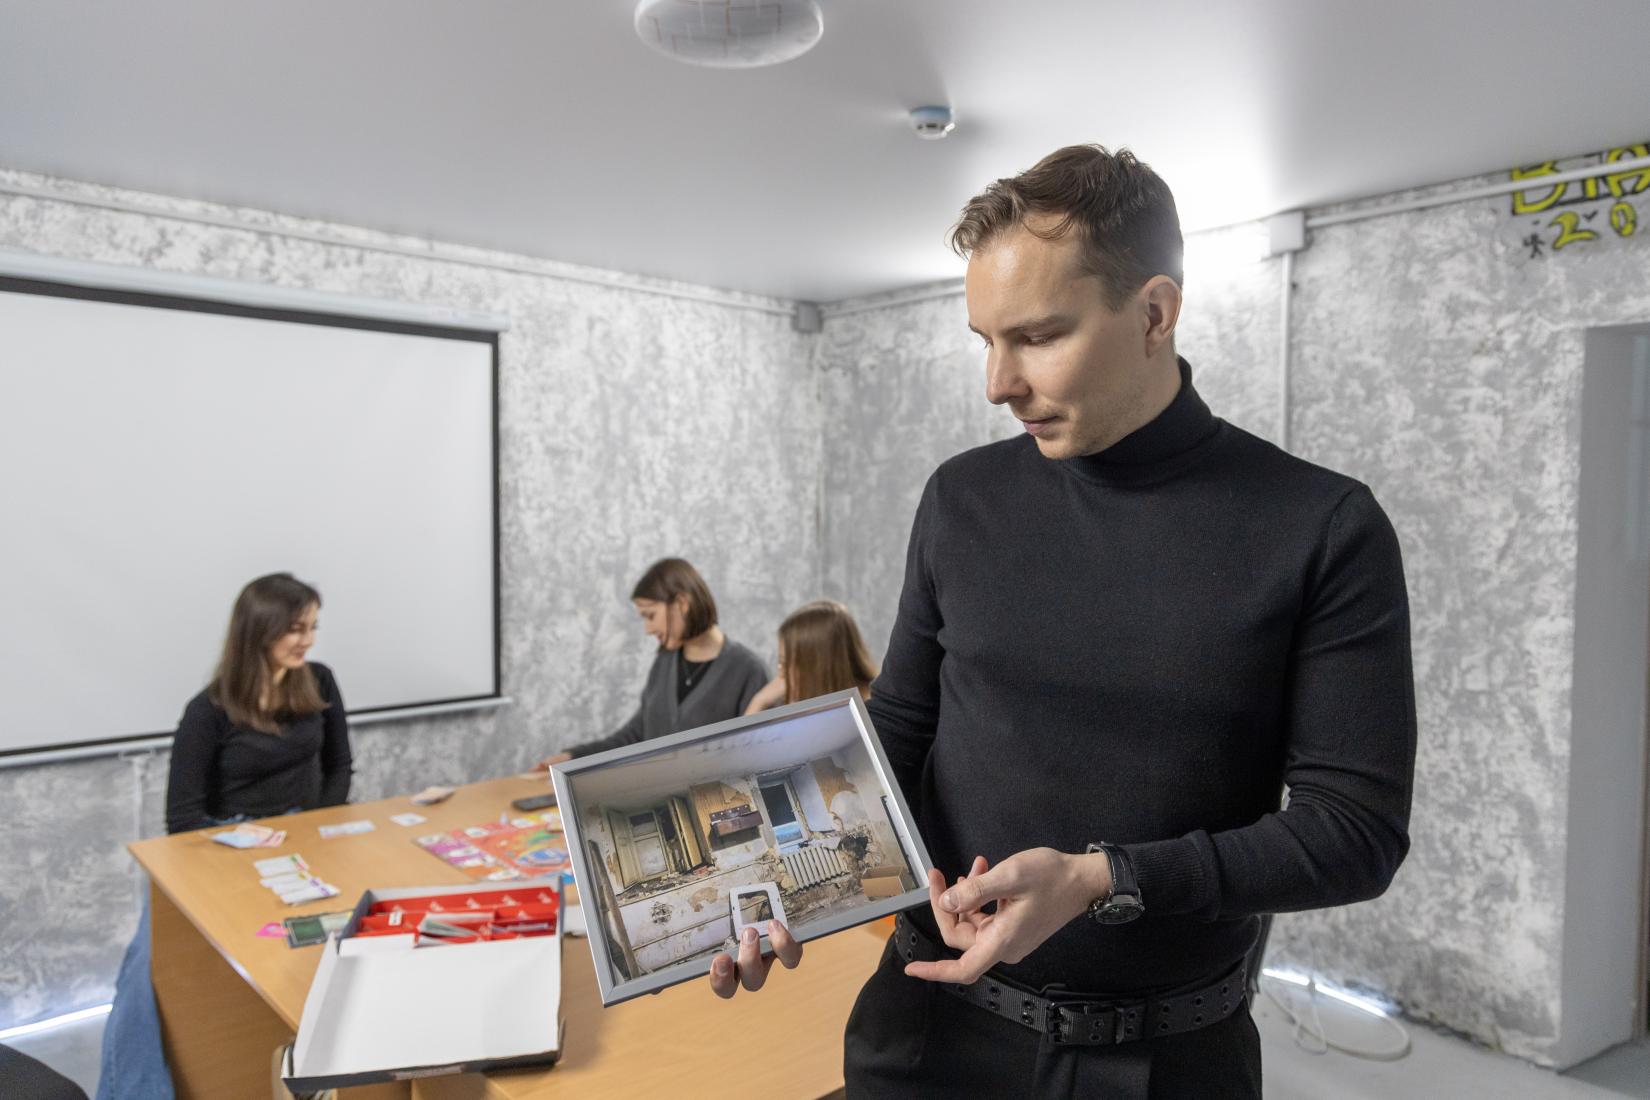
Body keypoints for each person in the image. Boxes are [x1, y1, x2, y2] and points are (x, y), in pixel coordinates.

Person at [710, 145, 1416, 1100]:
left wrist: (1103, 879)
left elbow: (1354, 832)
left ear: (1155, 313)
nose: (998, 384)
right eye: (984, 340)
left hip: (1161, 1059)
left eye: (1038, 336)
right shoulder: (961, 498)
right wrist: (787, 884)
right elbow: (903, 733)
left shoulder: (1322, 527)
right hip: (921, 1030)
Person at [99, 573, 352, 1100]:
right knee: (146, 969)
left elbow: (338, 768)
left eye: (312, 628)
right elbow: (182, 817)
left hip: (303, 837)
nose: (307, 640)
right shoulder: (208, 710)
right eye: (295, 629)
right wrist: (246, 838)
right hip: (222, 842)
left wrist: (309, 826)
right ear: (258, 632)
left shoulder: (320, 681)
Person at [541, 558, 767, 764]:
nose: (648, 629)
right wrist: (574, 757)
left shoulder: (748, 670)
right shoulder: (665, 662)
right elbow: (637, 735)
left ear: (682, 603)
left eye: (650, 615)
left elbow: (757, 756)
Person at [743, 598, 877, 714]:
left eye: (785, 664)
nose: (781, 674)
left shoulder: (871, 714)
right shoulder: (806, 705)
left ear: (817, 665)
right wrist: (759, 701)